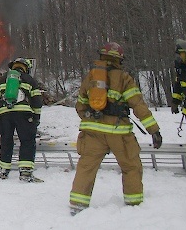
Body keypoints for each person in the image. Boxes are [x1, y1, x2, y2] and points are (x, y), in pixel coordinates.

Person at [69, 42, 162, 215]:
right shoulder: (124, 78)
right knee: (131, 166)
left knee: (86, 168)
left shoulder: (91, 77)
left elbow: (80, 106)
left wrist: (92, 120)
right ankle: (134, 204)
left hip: (93, 134)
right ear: (120, 59)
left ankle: (77, 205)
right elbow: (138, 105)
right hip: (119, 133)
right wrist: (154, 130)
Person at [0, 57, 43, 182]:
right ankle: (25, 172)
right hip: (23, 113)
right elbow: (37, 100)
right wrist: (36, 117)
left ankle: (4, 170)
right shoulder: (29, 79)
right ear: (26, 68)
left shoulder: (3, 79)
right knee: (27, 141)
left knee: (6, 140)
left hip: (5, 114)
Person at [172, 39, 186, 143]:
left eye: (181, 54)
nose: (179, 57)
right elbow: (178, 87)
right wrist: (175, 102)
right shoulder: (181, 69)